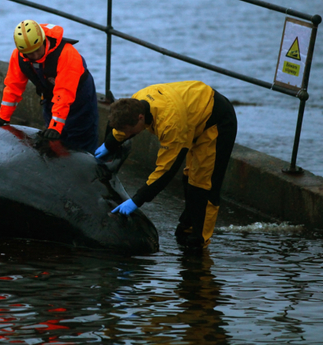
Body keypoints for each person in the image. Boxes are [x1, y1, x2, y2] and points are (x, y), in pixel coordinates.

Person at [96, 81, 237, 250]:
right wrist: (109, 144)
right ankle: (188, 224)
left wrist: (137, 200)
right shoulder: (135, 102)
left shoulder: (171, 124)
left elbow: (166, 171)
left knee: (203, 184)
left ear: (141, 118)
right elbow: (121, 128)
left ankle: (199, 241)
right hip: (192, 111)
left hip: (215, 121)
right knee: (190, 176)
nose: (127, 135)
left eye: (129, 132)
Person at [0, 20, 99, 154]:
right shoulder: (19, 57)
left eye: (37, 50)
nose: (35, 56)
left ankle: (90, 171)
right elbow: (13, 87)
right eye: (30, 53)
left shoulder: (67, 55)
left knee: (82, 142)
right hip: (50, 96)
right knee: (54, 142)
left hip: (79, 98)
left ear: (43, 40)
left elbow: (64, 93)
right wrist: (3, 117)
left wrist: (56, 126)